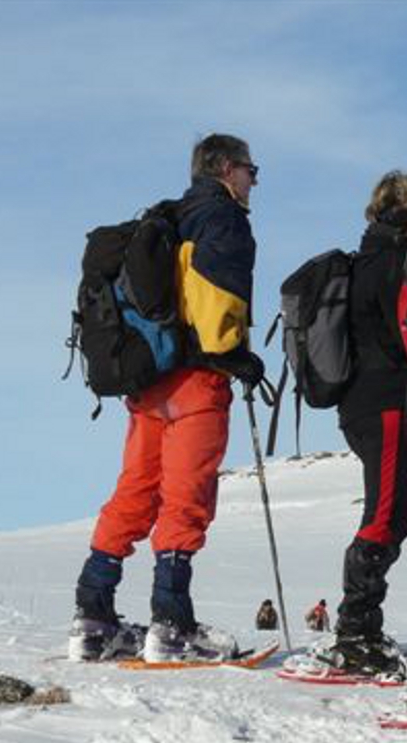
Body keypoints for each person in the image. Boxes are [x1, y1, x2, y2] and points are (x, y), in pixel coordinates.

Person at [69, 133, 267, 663]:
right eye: (250, 170)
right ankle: (172, 624)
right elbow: (215, 296)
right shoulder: (222, 218)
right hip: (195, 380)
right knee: (185, 498)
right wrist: (234, 355)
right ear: (226, 169)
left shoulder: (168, 215)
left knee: (135, 490)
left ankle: (92, 615)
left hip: (148, 379)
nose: (253, 181)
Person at [313, 171, 407, 676]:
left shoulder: (366, 259)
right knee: (385, 511)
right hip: (380, 400)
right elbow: (403, 337)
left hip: (367, 403)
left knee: (398, 508)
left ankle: (360, 626)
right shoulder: (391, 265)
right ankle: (354, 633)